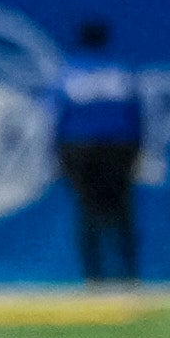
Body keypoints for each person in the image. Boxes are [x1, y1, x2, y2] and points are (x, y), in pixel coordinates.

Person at [52, 19, 145, 284]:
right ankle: (128, 273)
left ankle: (93, 275)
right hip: (118, 148)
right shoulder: (120, 72)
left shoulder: (70, 72)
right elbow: (137, 117)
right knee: (121, 213)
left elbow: (55, 116)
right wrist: (136, 152)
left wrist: (58, 156)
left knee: (88, 212)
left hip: (80, 148)